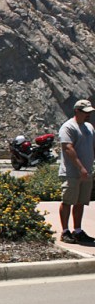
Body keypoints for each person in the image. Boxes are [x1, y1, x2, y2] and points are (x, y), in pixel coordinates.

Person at [58, 99, 95, 244]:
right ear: (76, 111)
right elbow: (68, 148)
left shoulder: (89, 127)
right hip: (72, 173)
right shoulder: (68, 127)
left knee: (80, 202)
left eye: (90, 113)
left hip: (86, 173)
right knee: (68, 201)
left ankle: (78, 231)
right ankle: (65, 231)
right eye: (85, 113)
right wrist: (81, 168)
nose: (88, 115)